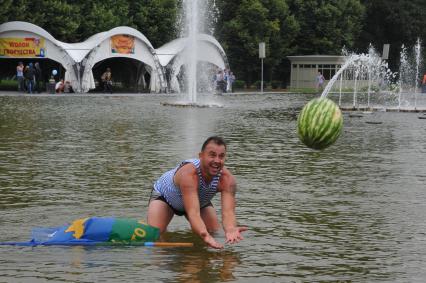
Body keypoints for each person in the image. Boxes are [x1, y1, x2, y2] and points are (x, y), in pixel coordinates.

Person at [147, 136, 247, 249]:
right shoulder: (189, 175)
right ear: (201, 156)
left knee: (214, 232)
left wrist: (230, 228)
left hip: (198, 200)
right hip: (165, 198)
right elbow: (193, 213)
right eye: (212, 155)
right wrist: (204, 235)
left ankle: (200, 258)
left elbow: (228, 212)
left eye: (221, 156)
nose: (217, 161)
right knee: (155, 236)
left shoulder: (227, 180)